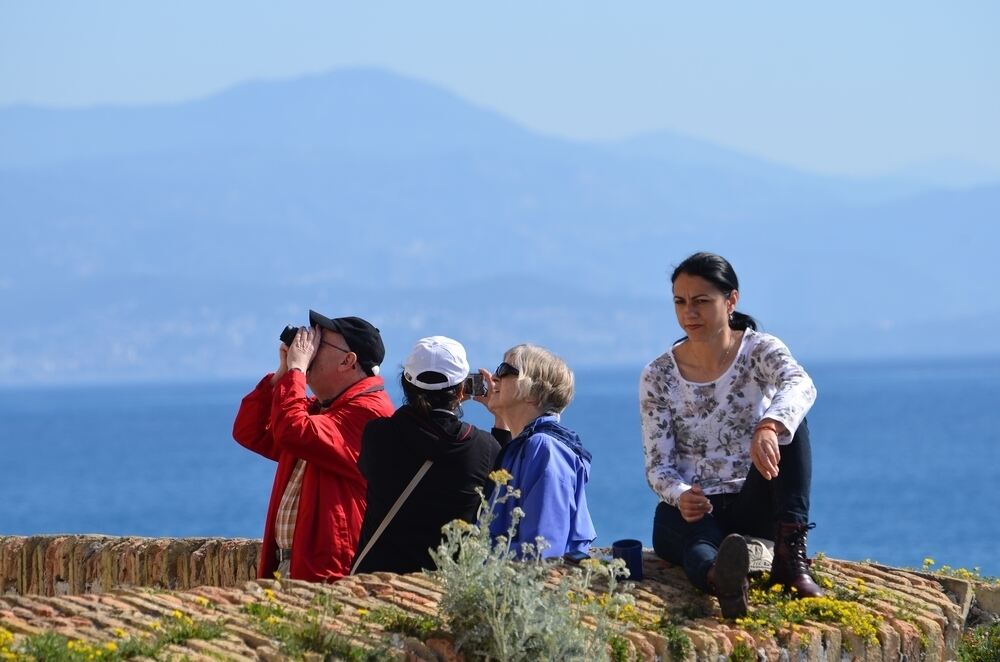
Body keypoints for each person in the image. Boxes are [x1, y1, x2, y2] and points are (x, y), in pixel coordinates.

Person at [639, 251, 823, 619]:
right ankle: (719, 579)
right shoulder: (657, 375)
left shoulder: (760, 350)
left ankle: (790, 559)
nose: (689, 312)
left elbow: (800, 383)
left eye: (701, 301)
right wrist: (680, 495)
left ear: (731, 300)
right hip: (697, 507)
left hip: (754, 501)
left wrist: (769, 426)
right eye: (680, 302)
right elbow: (658, 466)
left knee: (791, 423)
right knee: (687, 534)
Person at [233, 310, 394, 582]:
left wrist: (296, 370)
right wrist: (281, 375)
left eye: (320, 343)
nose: (309, 349)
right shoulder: (323, 411)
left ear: (348, 360)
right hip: (293, 566)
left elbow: (293, 431)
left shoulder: (370, 414)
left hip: (328, 573)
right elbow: (249, 431)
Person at [352, 336, 501, 574]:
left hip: (377, 576)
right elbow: (502, 483)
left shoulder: (377, 434)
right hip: (442, 586)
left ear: (405, 383)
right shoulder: (483, 447)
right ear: (462, 390)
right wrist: (499, 414)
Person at [484, 344, 596, 559]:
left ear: (533, 394)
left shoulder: (544, 448)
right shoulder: (527, 445)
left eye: (504, 370)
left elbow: (542, 548)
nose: (494, 378)